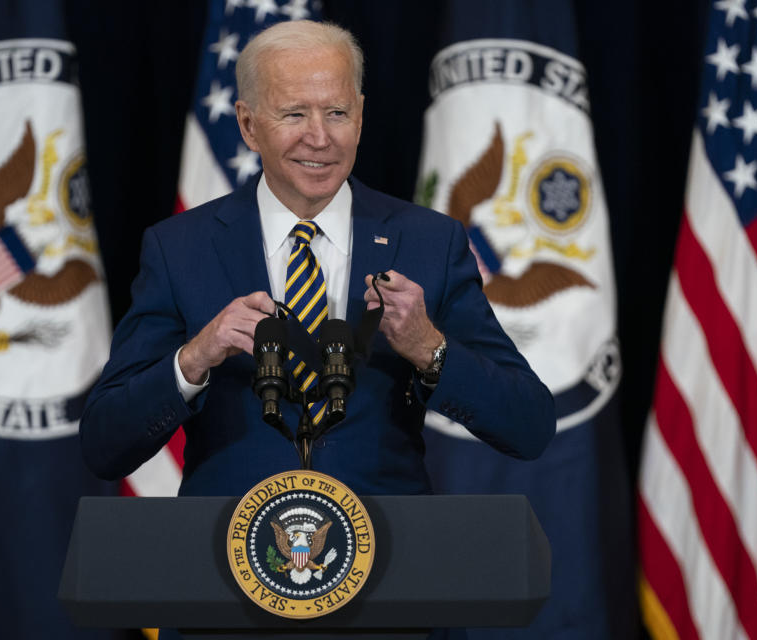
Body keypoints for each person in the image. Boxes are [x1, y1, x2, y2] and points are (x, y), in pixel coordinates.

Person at [80, 20, 555, 496]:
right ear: (248, 124)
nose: (320, 137)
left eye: (337, 112)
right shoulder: (180, 248)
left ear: (361, 116)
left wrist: (430, 348)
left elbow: (528, 426)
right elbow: (104, 444)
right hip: (228, 555)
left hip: (389, 554)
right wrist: (194, 358)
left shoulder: (429, 241)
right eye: (294, 115)